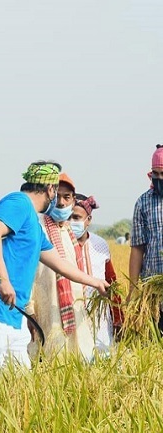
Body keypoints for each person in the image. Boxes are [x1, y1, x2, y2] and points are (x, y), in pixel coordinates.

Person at [0, 161, 108, 381]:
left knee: (20, 386)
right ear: (49, 189)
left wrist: (95, 282)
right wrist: (4, 280)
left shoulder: (34, 227)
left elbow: (59, 264)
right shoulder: (18, 202)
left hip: (10, 312)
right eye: (56, 191)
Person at [25, 173, 96, 361]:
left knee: (77, 363)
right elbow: (28, 271)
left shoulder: (69, 233)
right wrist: (29, 311)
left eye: (67, 197)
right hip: (44, 312)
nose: (62, 203)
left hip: (73, 312)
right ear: (49, 195)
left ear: (73, 200)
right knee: (49, 363)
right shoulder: (36, 226)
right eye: (57, 196)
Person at [71, 194, 122, 355]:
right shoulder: (59, 244)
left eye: (77, 217)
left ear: (89, 220)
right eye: (69, 217)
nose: (72, 222)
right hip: (72, 312)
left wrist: (118, 317)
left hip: (99, 314)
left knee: (102, 356)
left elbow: (111, 281)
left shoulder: (100, 245)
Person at [130, 145, 163, 330]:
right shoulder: (143, 202)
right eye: (156, 174)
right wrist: (133, 290)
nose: (160, 179)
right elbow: (137, 248)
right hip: (153, 290)